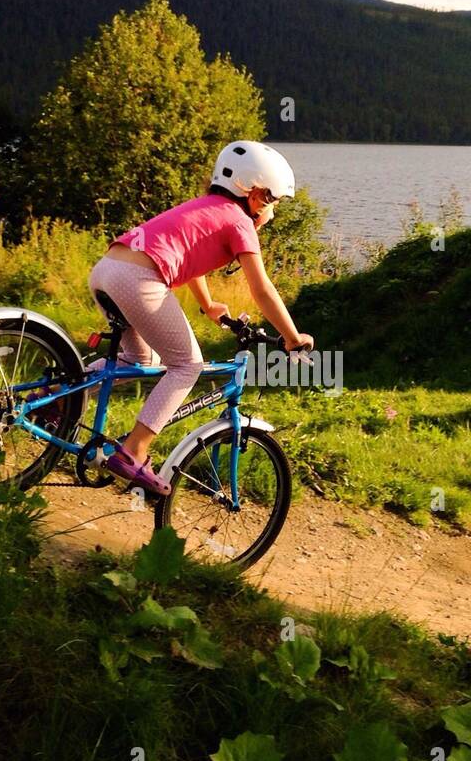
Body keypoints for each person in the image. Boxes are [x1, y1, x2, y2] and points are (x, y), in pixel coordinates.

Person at [87, 141, 313, 496]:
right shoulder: (240, 222)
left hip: (108, 269)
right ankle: (134, 450)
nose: (274, 213)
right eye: (276, 203)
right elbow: (262, 288)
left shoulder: (205, 206)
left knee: (140, 359)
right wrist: (292, 335)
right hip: (137, 280)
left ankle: (55, 396)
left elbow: (187, 254)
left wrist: (208, 306)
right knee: (187, 365)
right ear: (258, 196)